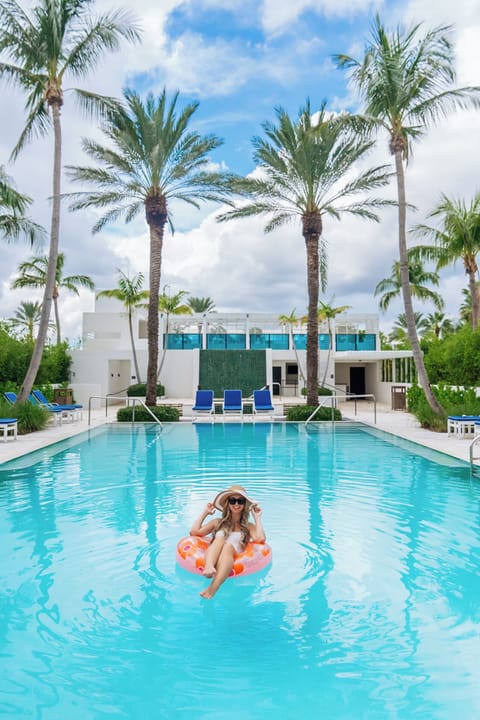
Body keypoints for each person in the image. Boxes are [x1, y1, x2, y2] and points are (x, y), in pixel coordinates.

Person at [190, 484, 265, 599]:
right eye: (232, 500)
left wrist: (257, 518)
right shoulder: (217, 522)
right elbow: (194, 532)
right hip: (214, 554)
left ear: (244, 505)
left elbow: (260, 539)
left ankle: (212, 588)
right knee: (220, 538)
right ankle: (209, 567)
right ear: (227, 503)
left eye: (240, 501)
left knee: (228, 546)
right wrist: (205, 512)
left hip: (232, 555)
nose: (236, 504)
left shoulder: (248, 526)